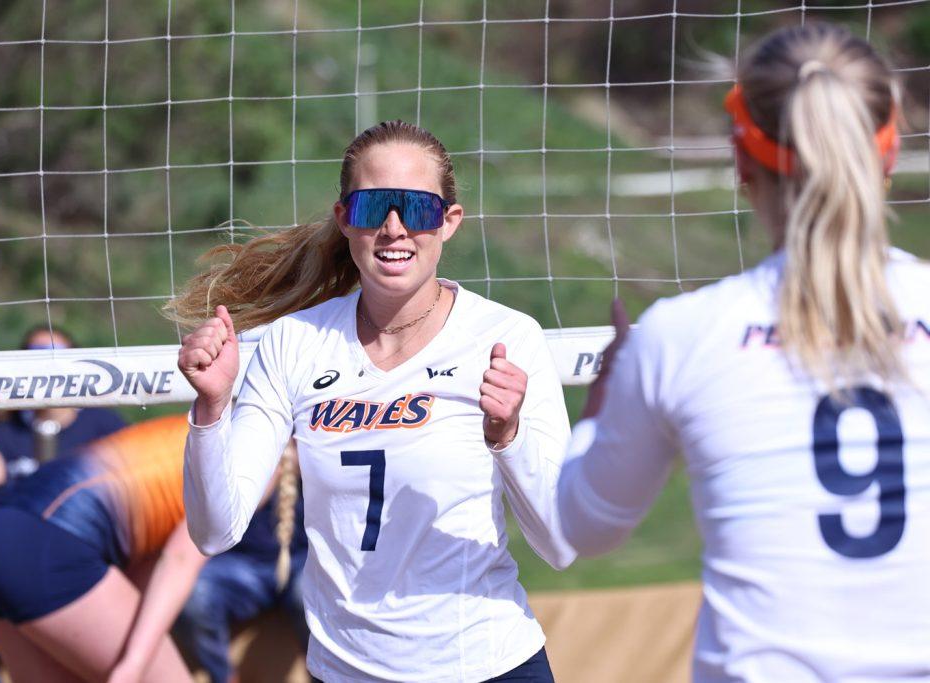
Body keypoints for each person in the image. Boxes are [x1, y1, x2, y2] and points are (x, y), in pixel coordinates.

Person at [557, 23, 930, 682]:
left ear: (742, 162)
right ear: (890, 152)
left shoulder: (683, 335)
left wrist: (599, 409)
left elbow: (585, 528)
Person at [166, 119, 575, 682]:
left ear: (449, 222)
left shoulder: (506, 338)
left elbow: (560, 544)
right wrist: (211, 412)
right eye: (372, 206)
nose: (394, 227)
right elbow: (215, 532)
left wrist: (509, 437)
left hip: (485, 665)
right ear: (344, 219)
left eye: (417, 207)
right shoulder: (294, 342)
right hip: (346, 670)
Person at [0, 326, 126, 683]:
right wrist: (0, 485)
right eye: (36, 357)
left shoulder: (105, 427)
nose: (47, 369)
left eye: (57, 357)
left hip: (86, 571)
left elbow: (123, 514)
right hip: (8, 573)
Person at [0, 414, 205, 683]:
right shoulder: (250, 450)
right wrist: (133, 665)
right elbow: (180, 558)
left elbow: (152, 556)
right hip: (47, 543)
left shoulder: (198, 423)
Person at [173, 443, 309, 683]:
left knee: (310, 595)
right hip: (242, 562)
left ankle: (325, 675)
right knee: (195, 594)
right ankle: (223, 676)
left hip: (303, 560)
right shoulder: (241, 434)